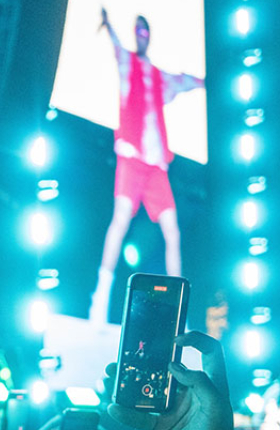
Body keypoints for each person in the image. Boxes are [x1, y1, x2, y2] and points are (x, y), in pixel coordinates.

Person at [89, 9, 204, 323]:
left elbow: (183, 81)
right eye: (136, 30)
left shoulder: (157, 75)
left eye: (144, 30)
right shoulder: (128, 62)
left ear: (148, 35)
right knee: (121, 220)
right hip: (132, 158)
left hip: (156, 166)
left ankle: (179, 302)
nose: (140, 35)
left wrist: (205, 82)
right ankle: (100, 296)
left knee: (172, 231)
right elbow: (115, 45)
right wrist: (108, 25)